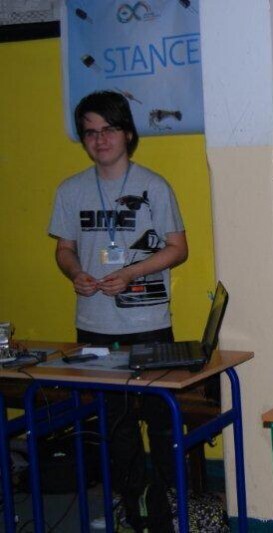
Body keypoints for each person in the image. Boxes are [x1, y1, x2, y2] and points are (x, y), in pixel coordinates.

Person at [48, 91, 188, 530]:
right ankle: (135, 511)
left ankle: (172, 511)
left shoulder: (154, 185)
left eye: (108, 129)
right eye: (90, 132)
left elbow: (178, 249)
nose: (100, 139)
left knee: (162, 426)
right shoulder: (70, 190)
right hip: (95, 325)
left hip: (148, 323)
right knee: (116, 429)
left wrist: (131, 273)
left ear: (127, 133)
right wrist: (75, 272)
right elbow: (64, 249)